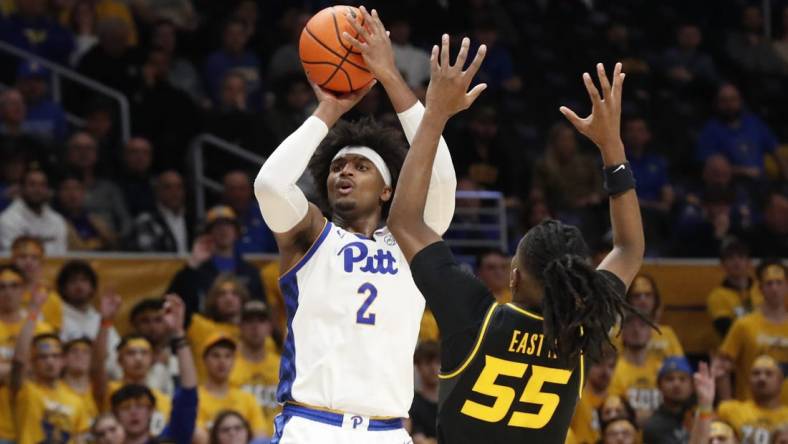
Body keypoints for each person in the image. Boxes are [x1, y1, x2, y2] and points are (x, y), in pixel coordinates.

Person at [387, 24, 643, 442]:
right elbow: (630, 249)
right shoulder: (582, 332)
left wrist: (434, 114)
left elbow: (403, 221)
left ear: (514, 277)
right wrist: (612, 147)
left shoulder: (477, 316)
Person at [253, 7, 456, 443]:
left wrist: (392, 80)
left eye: (361, 166)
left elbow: (442, 184)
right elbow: (270, 184)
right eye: (338, 166)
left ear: (387, 190)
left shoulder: (410, 244)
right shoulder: (311, 235)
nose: (344, 172)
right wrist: (327, 110)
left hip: (388, 431)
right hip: (312, 425)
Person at [110, 295, 198, 444]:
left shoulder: (169, 438)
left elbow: (188, 394)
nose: (134, 412)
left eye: (141, 405)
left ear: (152, 411)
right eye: (126, 407)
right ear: (115, 415)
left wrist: (179, 333)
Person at [9, 290, 90, 444]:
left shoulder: (76, 400)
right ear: (32, 363)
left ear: (63, 361)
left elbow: (80, 439)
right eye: (43, 357)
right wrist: (33, 314)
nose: (50, 362)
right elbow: (18, 361)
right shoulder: (25, 391)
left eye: (55, 356)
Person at [167, 206, 265, 319]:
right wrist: (192, 265)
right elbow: (173, 301)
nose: (223, 230)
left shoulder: (250, 272)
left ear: (237, 232)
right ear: (208, 233)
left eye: (228, 225)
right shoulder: (196, 270)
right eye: (217, 226)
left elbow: (260, 308)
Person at [716, 260, 788, 403]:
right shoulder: (744, 324)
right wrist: (727, 405)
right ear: (760, 289)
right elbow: (722, 367)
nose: (774, 288)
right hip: (749, 412)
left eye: (779, 283)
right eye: (769, 283)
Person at [196, 333, 266, 440]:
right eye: (216, 355)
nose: (222, 361)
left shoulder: (247, 399)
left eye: (228, 356)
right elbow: (199, 440)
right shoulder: (195, 399)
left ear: (234, 361)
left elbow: (260, 437)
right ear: (204, 360)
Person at [229, 300, 281, 438]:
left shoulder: (281, 365)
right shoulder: (228, 364)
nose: (255, 326)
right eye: (249, 321)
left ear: (270, 327)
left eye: (261, 320)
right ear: (239, 326)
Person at [716, 355, 788, 444]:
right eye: (756, 373)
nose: (762, 378)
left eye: (769, 374)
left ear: (780, 381)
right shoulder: (729, 410)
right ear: (749, 380)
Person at [616, 274, 684, 360]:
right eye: (636, 296)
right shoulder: (616, 333)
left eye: (648, 295)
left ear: (656, 299)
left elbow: (680, 369)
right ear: (628, 300)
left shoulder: (667, 334)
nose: (643, 300)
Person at [0, 168, 68, 253]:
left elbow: (62, 257)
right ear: (22, 188)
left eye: (42, 185)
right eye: (32, 185)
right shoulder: (8, 220)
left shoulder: (57, 220)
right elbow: (13, 257)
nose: (38, 190)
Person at [707, 238, 763, 338]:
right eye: (730, 258)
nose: (736, 261)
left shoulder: (762, 289)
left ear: (749, 263)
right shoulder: (717, 296)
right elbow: (725, 328)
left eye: (741, 257)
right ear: (722, 264)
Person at [9, 236, 62, 330]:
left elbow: (54, 336)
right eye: (22, 257)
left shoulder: (51, 298)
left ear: (41, 262)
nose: (28, 262)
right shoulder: (3, 295)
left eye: (34, 258)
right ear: (12, 260)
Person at [570, 347, 617, 444]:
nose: (605, 371)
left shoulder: (618, 401)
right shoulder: (575, 397)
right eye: (599, 364)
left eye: (611, 366)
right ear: (587, 365)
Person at [409, 341, 440, 444]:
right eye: (427, 363)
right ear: (418, 367)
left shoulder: (451, 401)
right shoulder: (411, 403)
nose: (433, 369)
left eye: (438, 362)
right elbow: (420, 441)